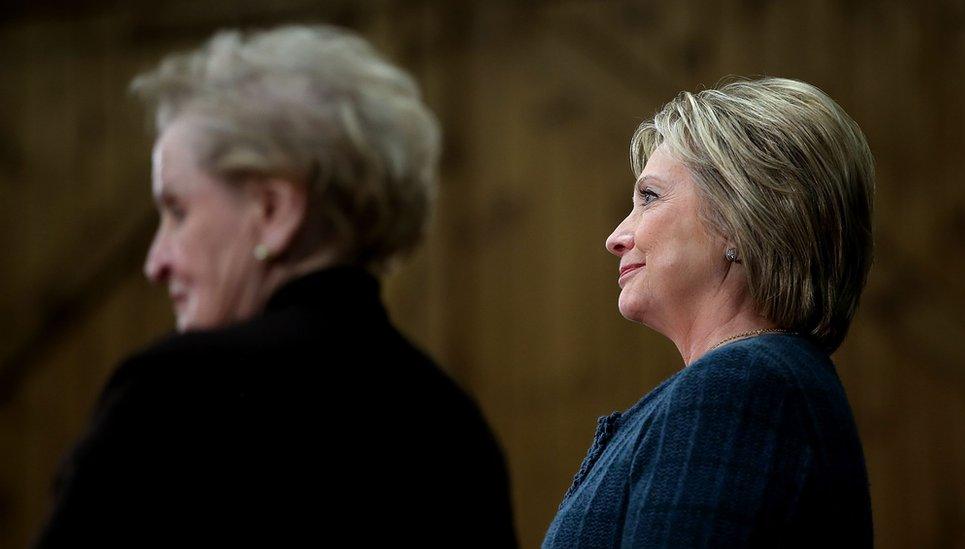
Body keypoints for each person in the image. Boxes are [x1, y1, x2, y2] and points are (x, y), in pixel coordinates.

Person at [35, 25, 516, 547]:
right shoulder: (454, 427)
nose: (155, 262)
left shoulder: (176, 395)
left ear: (273, 211)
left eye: (177, 210)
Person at [543, 77, 874, 548]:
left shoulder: (739, 389)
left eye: (649, 197)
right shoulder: (761, 381)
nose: (616, 236)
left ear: (744, 216)